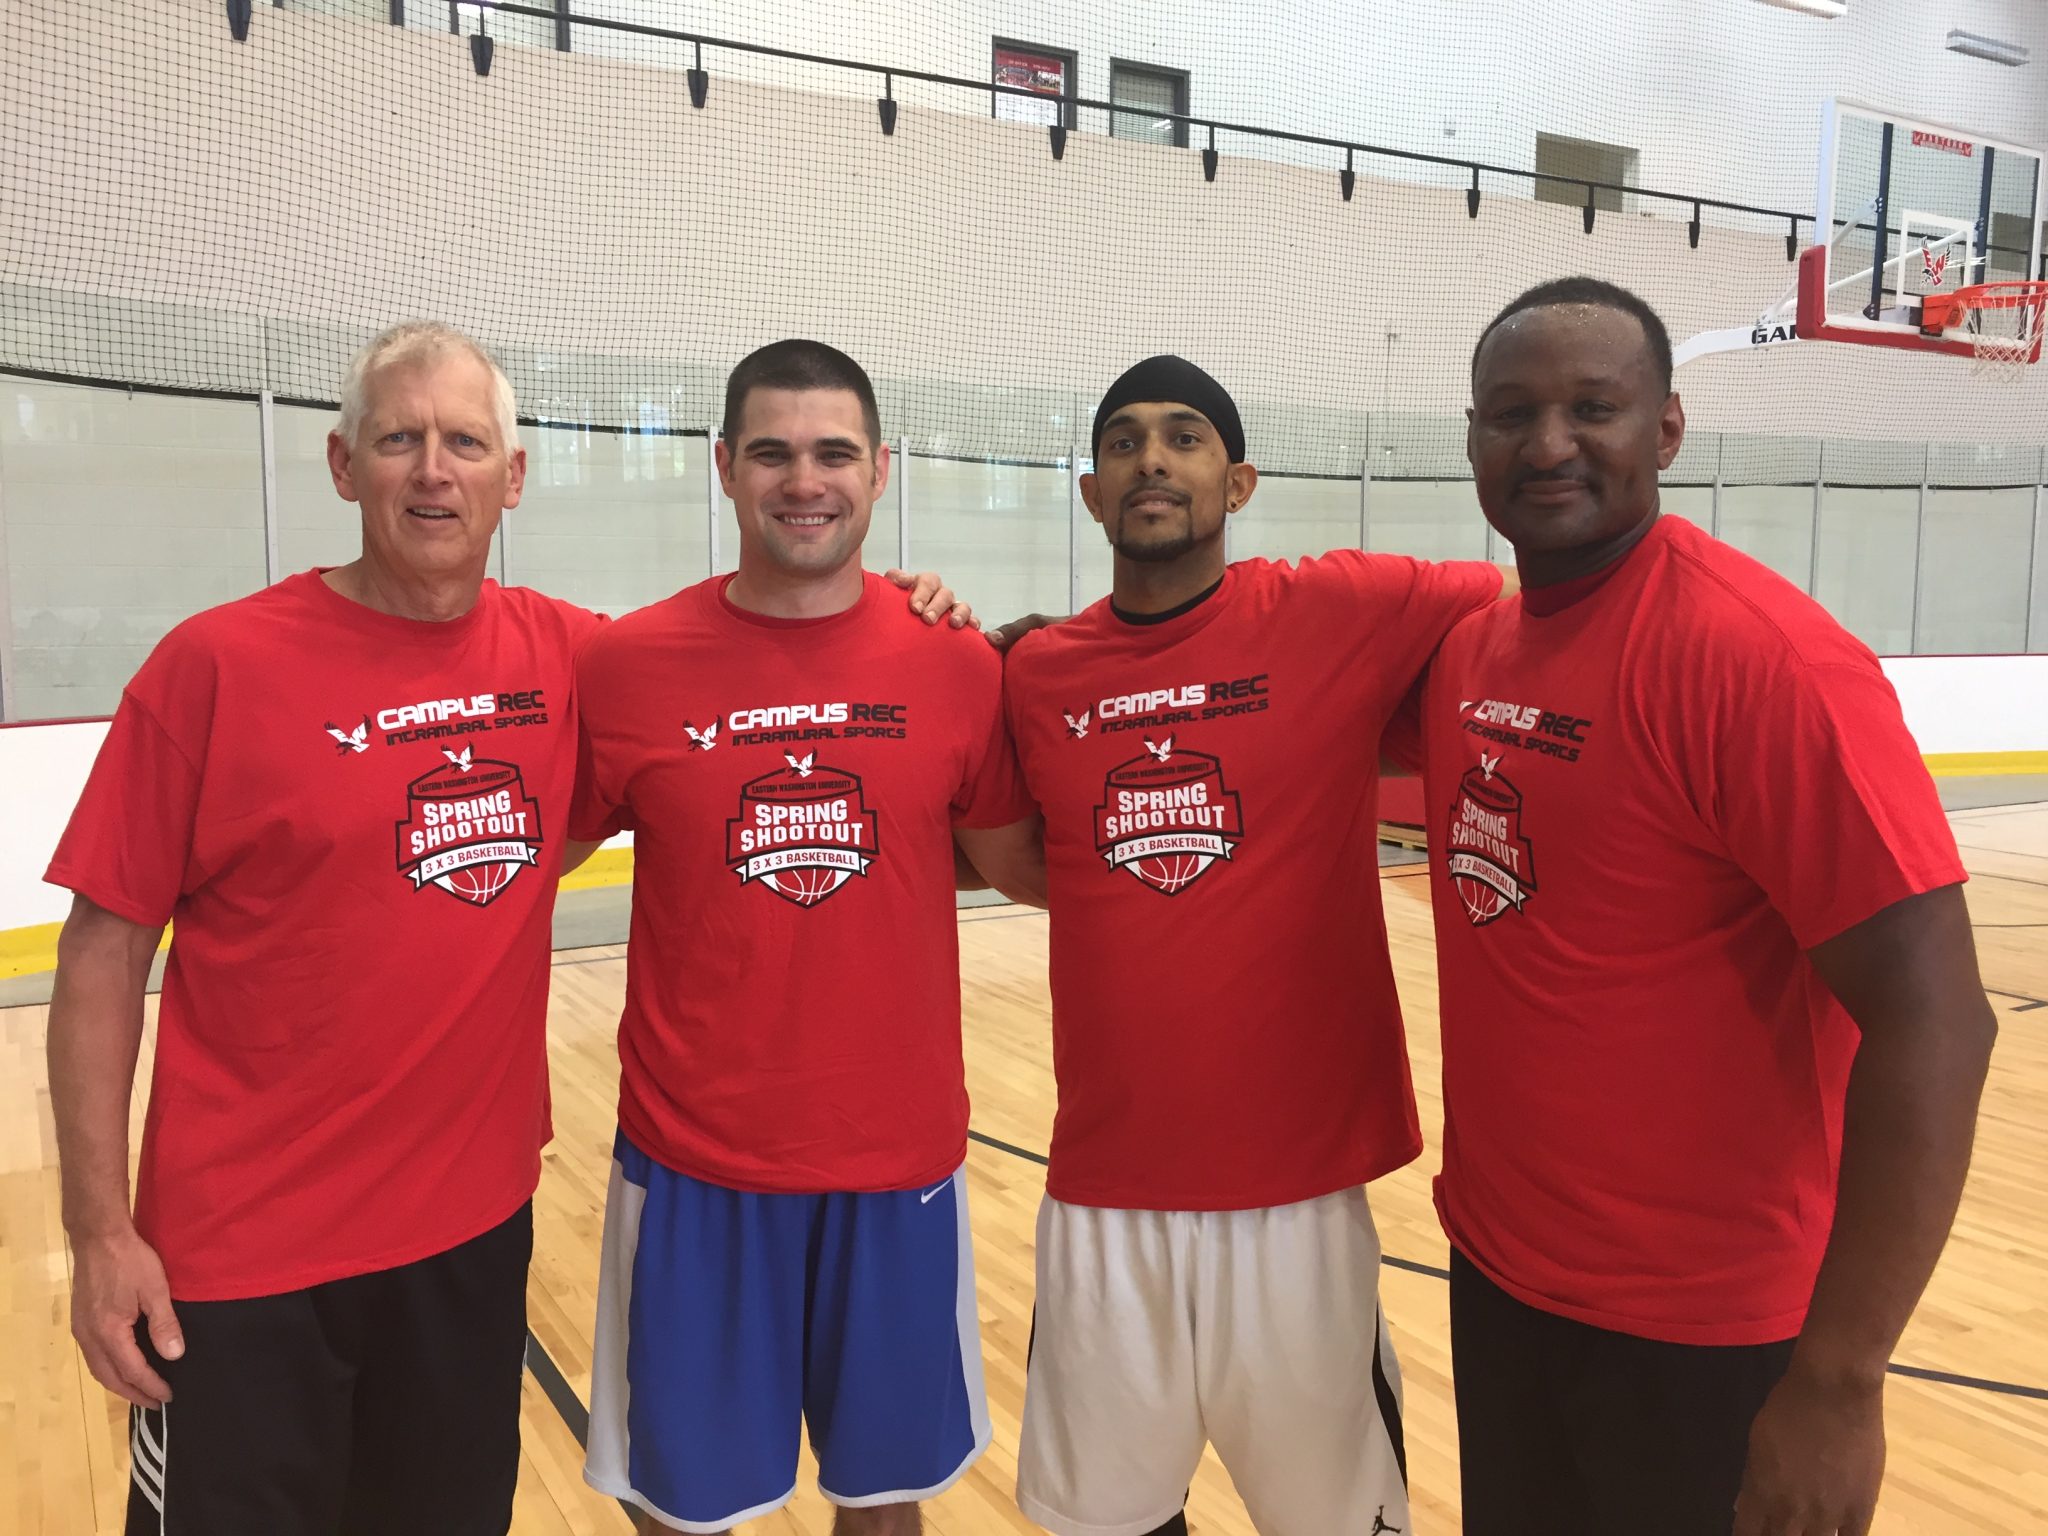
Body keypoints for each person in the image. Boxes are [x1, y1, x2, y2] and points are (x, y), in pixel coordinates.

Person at [44, 320, 969, 1536]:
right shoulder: (212, 666)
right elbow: (101, 951)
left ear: (513, 477)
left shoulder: (576, 658)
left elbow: (753, 654)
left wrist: (904, 603)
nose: (434, 470)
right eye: (399, 440)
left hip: (469, 1239)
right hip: (239, 1260)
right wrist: (98, 1231)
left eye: (465, 442)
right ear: (342, 465)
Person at [1384, 277, 1996, 1536]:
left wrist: (1838, 1382)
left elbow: (1938, 1023)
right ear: (1471, 437)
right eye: (1511, 412)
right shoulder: (1470, 655)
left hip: (1711, 1336)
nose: (1547, 443)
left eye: (1591, 407)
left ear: (1664, 428)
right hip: (1500, 1281)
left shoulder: (1763, 660)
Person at [993, 356, 1510, 1536]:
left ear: (1239, 483)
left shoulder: (1338, 607)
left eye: (1184, 438)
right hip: (1104, 1195)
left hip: (1297, 1199)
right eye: (1123, 442)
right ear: (1090, 493)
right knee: (1101, 1524)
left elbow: (1523, 600)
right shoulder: (1036, 674)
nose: (1152, 460)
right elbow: (1023, 856)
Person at [569, 339, 1041, 1535]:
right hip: (693, 1165)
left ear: (879, 470)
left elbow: (1020, 866)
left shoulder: (954, 662)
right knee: (677, 1506)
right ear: (724, 467)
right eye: (772, 453)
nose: (803, 480)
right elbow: (524, 869)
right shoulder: (626, 666)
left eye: (833, 452)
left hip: (896, 1166)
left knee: (883, 1504)